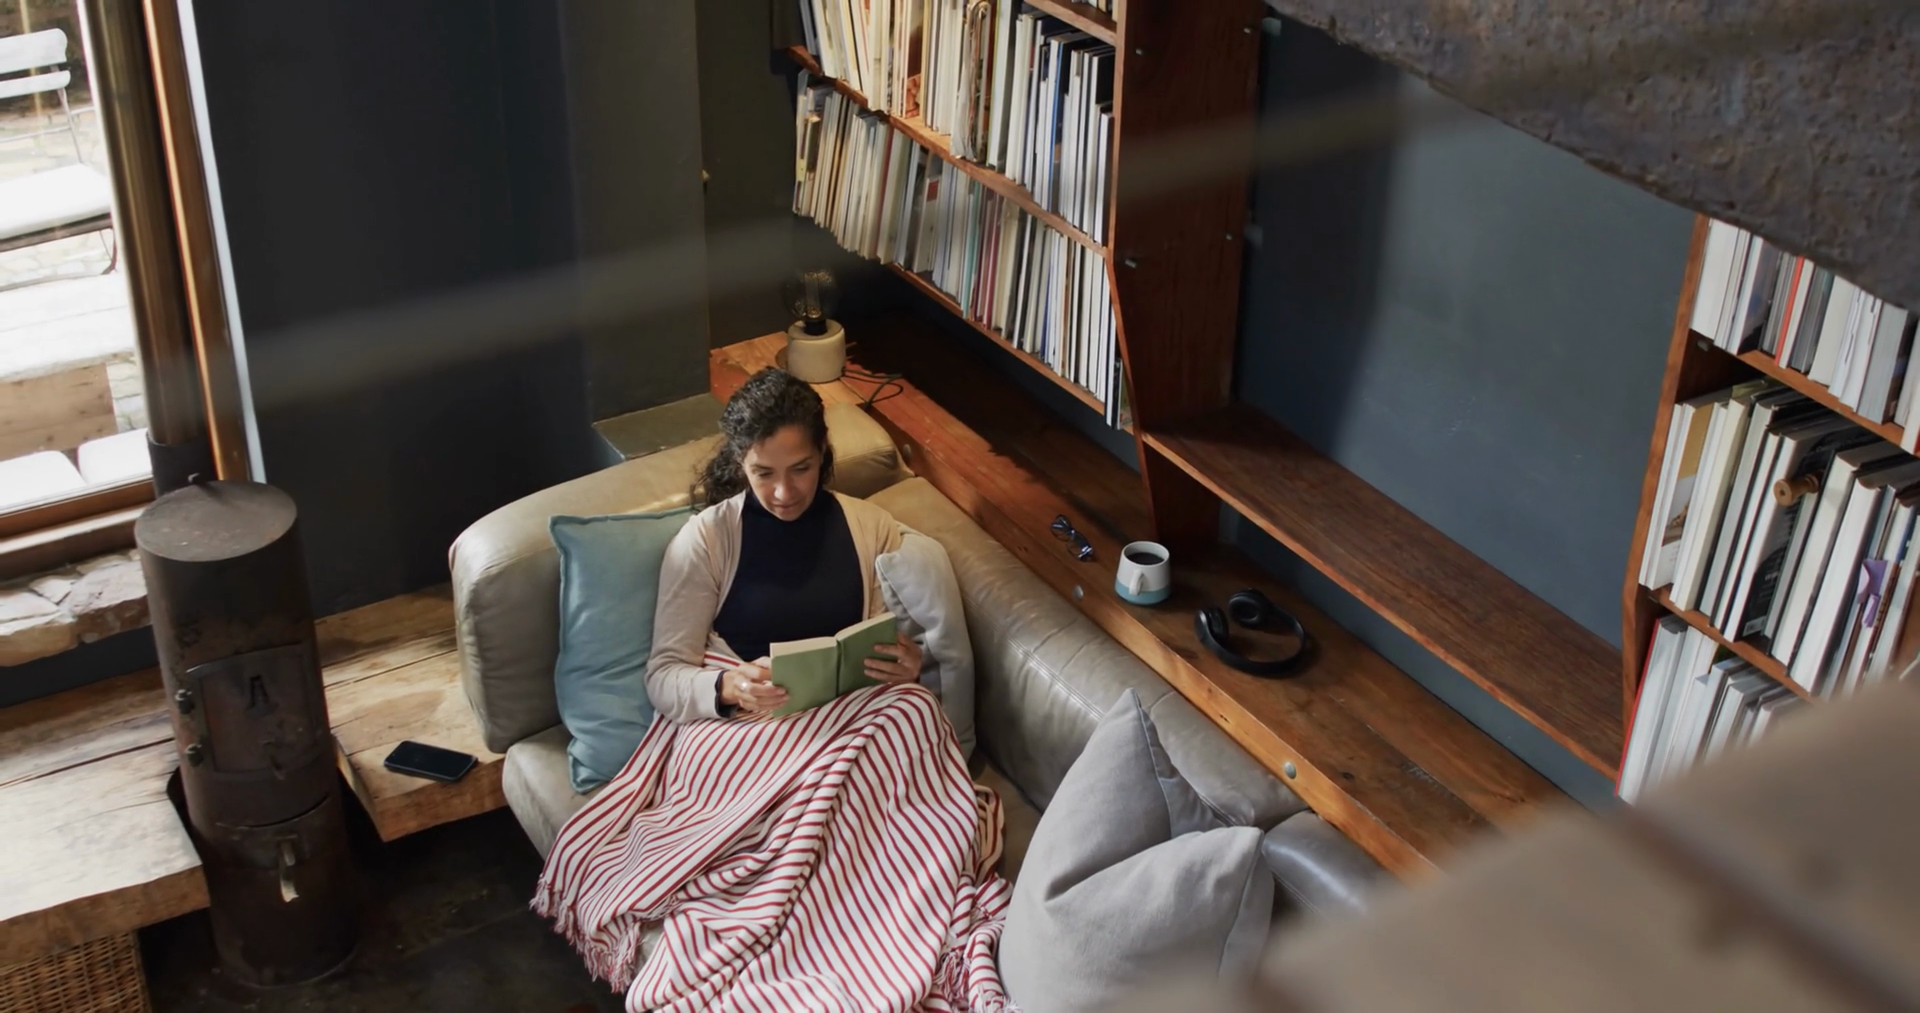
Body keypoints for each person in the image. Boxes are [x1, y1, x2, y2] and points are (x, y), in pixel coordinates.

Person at [646, 366, 924, 720]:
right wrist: (729, 687)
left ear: (822, 451)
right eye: (764, 473)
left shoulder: (872, 528)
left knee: (918, 706)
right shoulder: (706, 540)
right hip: (744, 725)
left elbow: (881, 660)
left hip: (846, 716)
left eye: (801, 468)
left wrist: (908, 667)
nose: (784, 493)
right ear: (740, 463)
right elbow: (663, 677)